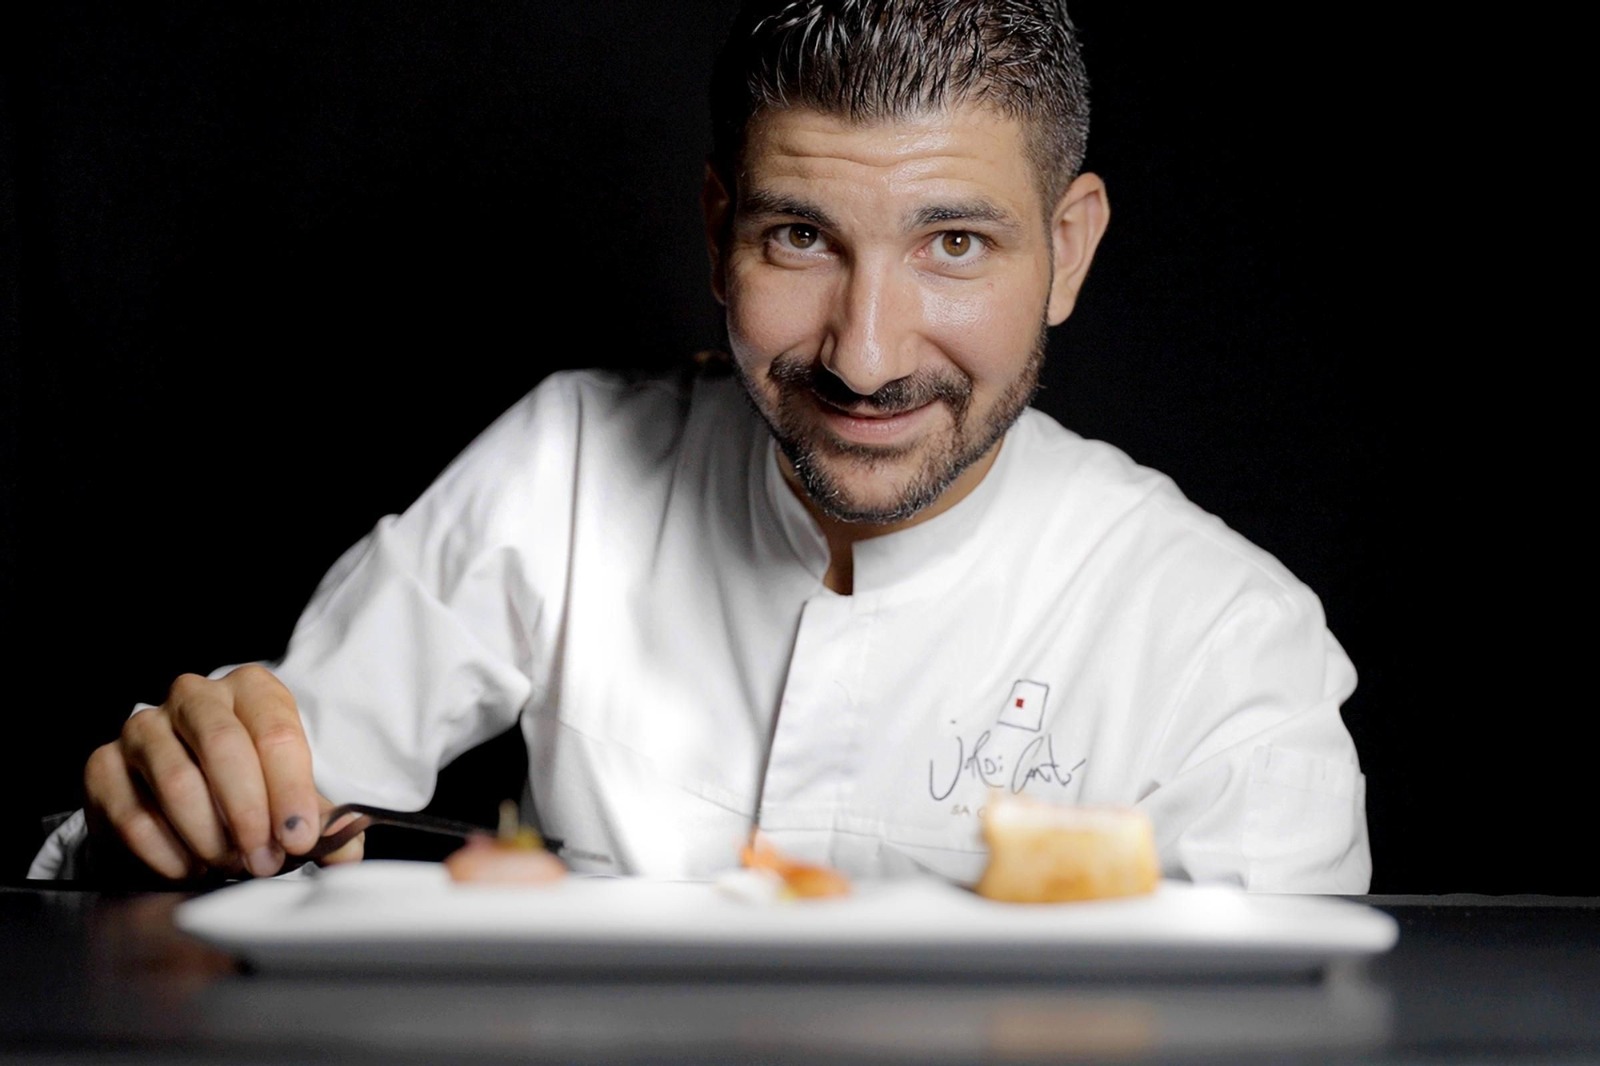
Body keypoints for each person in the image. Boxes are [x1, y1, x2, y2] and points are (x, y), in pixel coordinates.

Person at [36, 0, 1370, 891]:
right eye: (800, 237)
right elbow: (244, 827)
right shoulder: (566, 469)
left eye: (954, 243)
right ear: (721, 230)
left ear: (1068, 250)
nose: (864, 354)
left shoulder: (1225, 643)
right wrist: (179, 816)